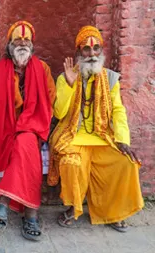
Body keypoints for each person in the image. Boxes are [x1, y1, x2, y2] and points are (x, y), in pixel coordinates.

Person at [48, 25, 144, 232]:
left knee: (126, 163)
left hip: (102, 136)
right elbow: (59, 113)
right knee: (71, 163)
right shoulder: (67, 76)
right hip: (72, 136)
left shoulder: (110, 79)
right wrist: (68, 84)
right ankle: (74, 209)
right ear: (78, 52)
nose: (92, 54)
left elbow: (118, 111)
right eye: (86, 49)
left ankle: (113, 212)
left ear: (101, 51)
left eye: (96, 49)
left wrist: (122, 140)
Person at [0, 21, 56, 241]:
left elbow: (50, 100)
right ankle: (31, 215)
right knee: (24, 146)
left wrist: (30, 123)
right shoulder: (0, 70)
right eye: (18, 40)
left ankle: (4, 201)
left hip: (34, 126)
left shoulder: (42, 69)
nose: (22, 43)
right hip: (7, 127)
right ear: (10, 44)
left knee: (26, 140)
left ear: (32, 44)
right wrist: (14, 124)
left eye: (26, 40)